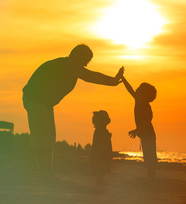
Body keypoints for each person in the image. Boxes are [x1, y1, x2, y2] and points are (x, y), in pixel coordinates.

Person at [22, 44, 123, 178]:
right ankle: (44, 172)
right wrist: (113, 80)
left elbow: (88, 74)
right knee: (42, 137)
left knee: (49, 137)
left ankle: (46, 171)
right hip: (35, 100)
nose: (86, 64)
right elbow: (91, 76)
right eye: (86, 60)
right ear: (78, 56)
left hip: (43, 102)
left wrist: (113, 80)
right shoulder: (69, 65)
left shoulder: (70, 66)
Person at [117, 67, 158, 178]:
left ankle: (151, 175)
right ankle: (150, 175)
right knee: (148, 155)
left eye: (139, 89)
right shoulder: (139, 100)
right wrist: (122, 78)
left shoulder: (145, 106)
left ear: (144, 95)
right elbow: (129, 89)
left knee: (150, 156)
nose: (136, 89)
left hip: (148, 134)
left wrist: (137, 130)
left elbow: (147, 121)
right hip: (145, 134)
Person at [90, 110, 113, 185]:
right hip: (100, 153)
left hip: (100, 153)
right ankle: (99, 181)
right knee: (101, 167)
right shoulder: (100, 131)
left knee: (102, 167)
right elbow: (101, 143)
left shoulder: (100, 130)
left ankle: (99, 180)